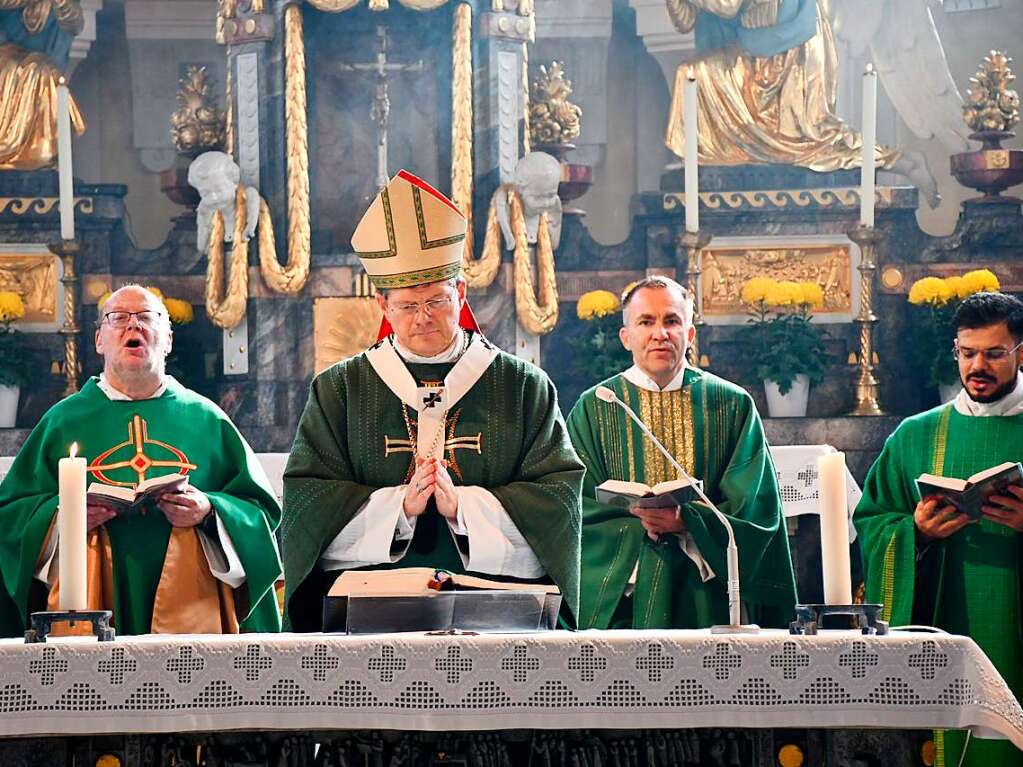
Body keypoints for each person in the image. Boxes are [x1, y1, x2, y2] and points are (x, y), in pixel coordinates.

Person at [282, 170, 584, 631]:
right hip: (375, 612)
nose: (422, 318)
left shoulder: (523, 385)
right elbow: (308, 498)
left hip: (495, 613)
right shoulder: (340, 389)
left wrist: (464, 508)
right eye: (407, 305)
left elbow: (558, 498)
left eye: (436, 301)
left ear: (460, 294)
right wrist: (398, 509)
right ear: (382, 306)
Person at [0, 285, 283, 636]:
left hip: (192, 608)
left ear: (167, 339)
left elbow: (258, 512)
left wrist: (209, 511)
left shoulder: (207, 420)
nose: (133, 326)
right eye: (119, 318)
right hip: (91, 600)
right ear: (100, 339)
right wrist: (64, 518)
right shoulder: (62, 421)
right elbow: (10, 518)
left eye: (147, 318)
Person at [566, 276, 796, 629]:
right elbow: (574, 510)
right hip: (626, 597)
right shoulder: (596, 407)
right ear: (626, 337)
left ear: (689, 335)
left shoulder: (731, 404)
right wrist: (640, 527)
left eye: (672, 321)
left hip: (708, 591)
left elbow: (755, 509)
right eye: (646, 322)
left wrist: (690, 522)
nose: (660, 333)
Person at [856, 291, 1023, 767]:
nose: (978, 367)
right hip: (944, 622)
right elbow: (872, 520)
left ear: (1021, 352)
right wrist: (916, 532)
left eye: (994, 354)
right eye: (967, 353)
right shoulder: (917, 434)